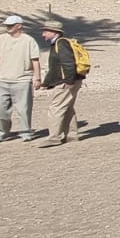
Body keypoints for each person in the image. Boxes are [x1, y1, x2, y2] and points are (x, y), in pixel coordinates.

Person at [0, 15, 43, 142]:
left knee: (23, 109)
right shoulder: (1, 39)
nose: (8, 27)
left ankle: (25, 132)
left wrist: (37, 78)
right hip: (1, 79)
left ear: (19, 26)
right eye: (7, 25)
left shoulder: (29, 41)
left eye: (11, 25)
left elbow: (35, 61)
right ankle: (2, 131)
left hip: (22, 80)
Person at [37, 19, 84, 147]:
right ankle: (72, 135)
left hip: (67, 82)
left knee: (55, 108)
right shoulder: (58, 43)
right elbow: (55, 67)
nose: (43, 34)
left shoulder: (61, 43)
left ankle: (54, 137)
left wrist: (69, 81)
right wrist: (47, 83)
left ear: (54, 32)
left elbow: (68, 63)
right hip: (72, 80)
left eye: (45, 31)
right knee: (67, 107)